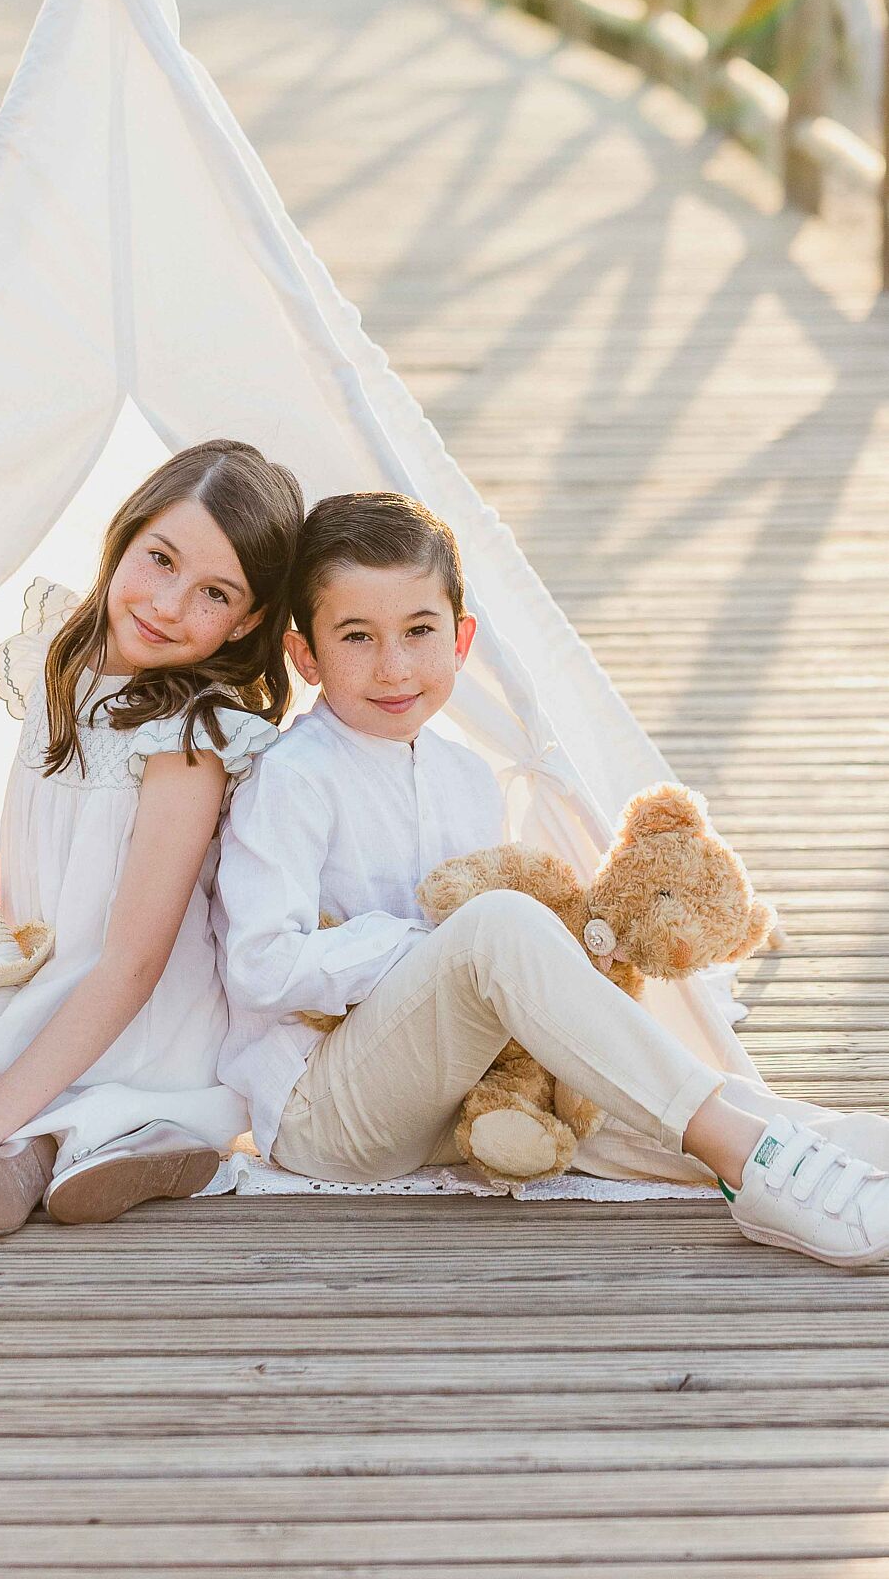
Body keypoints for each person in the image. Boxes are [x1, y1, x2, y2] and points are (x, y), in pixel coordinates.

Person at [214, 490, 889, 1267]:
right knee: (498, 924)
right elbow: (261, 965)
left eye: (419, 631)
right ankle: (754, 1165)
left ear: (461, 640)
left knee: (675, 1110)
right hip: (330, 1113)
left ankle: (790, 1152)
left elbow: (481, 970)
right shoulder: (292, 779)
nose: (394, 665)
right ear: (306, 656)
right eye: (357, 636)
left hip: (462, 1096)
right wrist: (431, 946)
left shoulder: (465, 775)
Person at [0, 438, 303, 1235]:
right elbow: (66, 839)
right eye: (159, 559)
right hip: (49, 972)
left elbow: (132, 962)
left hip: (135, 1011)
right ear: (122, 538)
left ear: (249, 622)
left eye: (212, 593)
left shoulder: (188, 740)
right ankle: (51, 1145)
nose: (168, 605)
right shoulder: (64, 663)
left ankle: (66, 1143)